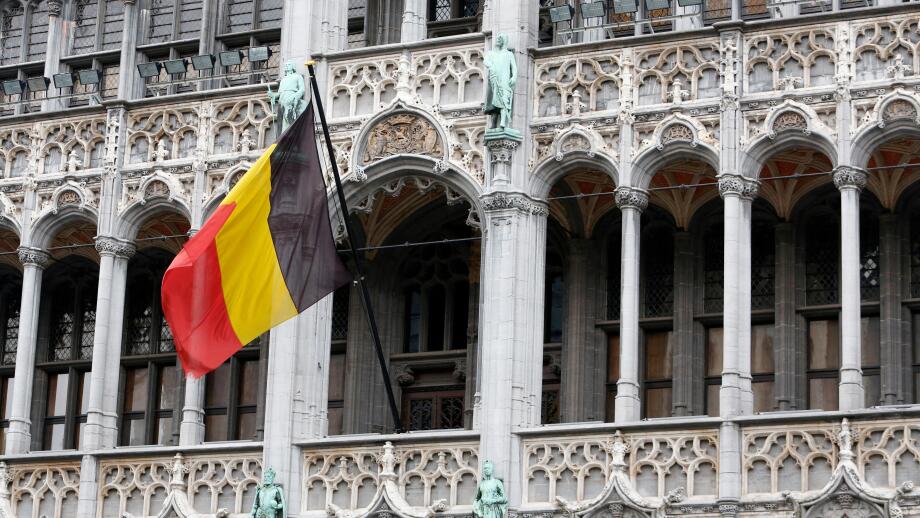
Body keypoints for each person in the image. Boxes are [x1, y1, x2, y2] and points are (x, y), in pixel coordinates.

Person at [484, 34, 517, 131]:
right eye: (497, 38)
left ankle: (502, 122)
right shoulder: (491, 53)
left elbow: (514, 67)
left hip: (504, 80)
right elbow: (485, 61)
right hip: (494, 79)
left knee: (504, 100)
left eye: (500, 38)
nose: (498, 40)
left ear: (504, 41)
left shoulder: (509, 54)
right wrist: (491, 66)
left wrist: (514, 77)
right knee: (493, 102)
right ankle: (494, 123)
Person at [268, 60, 307, 134]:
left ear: (293, 67)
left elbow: (302, 89)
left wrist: (295, 96)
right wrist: (273, 95)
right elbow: (279, 93)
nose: (286, 66)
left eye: (288, 65)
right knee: (284, 119)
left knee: (289, 116)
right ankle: (286, 133)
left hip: (291, 97)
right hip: (282, 99)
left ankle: (290, 133)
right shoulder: (283, 79)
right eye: (285, 65)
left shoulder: (297, 76)